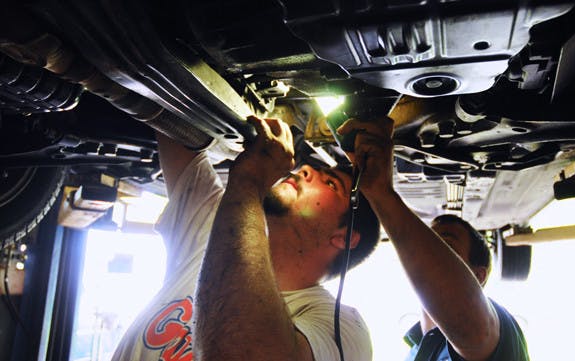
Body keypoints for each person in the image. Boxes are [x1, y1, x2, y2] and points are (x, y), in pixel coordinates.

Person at [110, 116, 380, 361]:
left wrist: (249, 180)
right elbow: (170, 123)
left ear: (344, 238)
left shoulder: (341, 328)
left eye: (331, 184)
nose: (306, 169)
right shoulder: (215, 230)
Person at [336, 116, 530, 361]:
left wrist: (382, 194)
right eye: (431, 241)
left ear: (478, 276)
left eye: (445, 246)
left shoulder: (499, 327)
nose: (427, 254)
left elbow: (475, 330)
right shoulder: (417, 346)